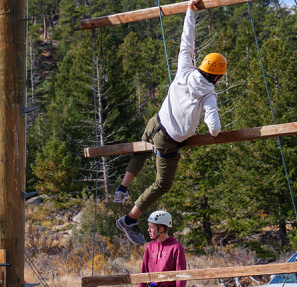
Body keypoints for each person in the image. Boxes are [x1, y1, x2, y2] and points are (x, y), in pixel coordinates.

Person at [115, 0, 227, 246]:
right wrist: (213, 123)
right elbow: (214, 129)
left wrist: (190, 10)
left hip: (154, 123)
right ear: (217, 75)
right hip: (168, 142)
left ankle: (122, 188)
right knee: (162, 183)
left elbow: (187, 42)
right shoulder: (208, 93)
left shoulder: (185, 70)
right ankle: (130, 219)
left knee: (142, 150)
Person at [139, 211, 187, 287]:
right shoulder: (149, 247)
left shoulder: (176, 247)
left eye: (151, 227)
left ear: (161, 229)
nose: (148, 230)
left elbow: (181, 276)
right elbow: (143, 273)